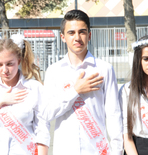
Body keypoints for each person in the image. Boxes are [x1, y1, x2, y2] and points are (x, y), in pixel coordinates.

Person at [43, 10, 123, 155]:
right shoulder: (53, 71)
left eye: (82, 32)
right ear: (63, 37)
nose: (77, 38)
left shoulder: (104, 69)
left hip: (97, 150)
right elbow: (47, 113)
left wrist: (117, 151)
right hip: (64, 150)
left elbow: (113, 114)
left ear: (89, 35)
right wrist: (75, 91)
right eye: (71, 33)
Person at [0, 34, 50, 155]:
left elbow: (42, 129)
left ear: (18, 60)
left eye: (9, 64)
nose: (5, 70)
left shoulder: (34, 88)